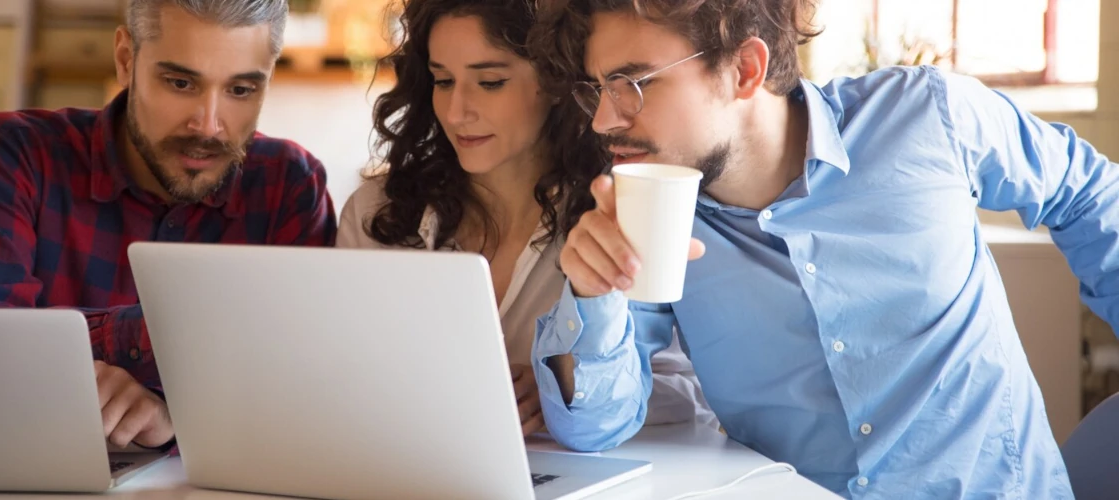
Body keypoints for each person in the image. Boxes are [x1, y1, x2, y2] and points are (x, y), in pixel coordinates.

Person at [528, 0, 1103, 497]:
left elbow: (1089, 197)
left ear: (744, 71)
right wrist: (592, 294)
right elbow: (593, 430)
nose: (605, 120)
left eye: (634, 84)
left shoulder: (925, 116)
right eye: (599, 90)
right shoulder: (647, 214)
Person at [0, 0, 336, 451]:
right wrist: (192, 341)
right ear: (125, 59)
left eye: (240, 90)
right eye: (180, 82)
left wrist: (167, 416)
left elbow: (298, 398)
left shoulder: (290, 185)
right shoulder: (14, 155)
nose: (209, 126)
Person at [336, 0, 711, 436]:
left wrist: (561, 382)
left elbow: (689, 393)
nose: (457, 111)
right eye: (443, 80)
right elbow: (336, 376)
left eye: (490, 82)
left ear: (555, 82)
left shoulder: (624, 212)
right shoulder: (375, 213)